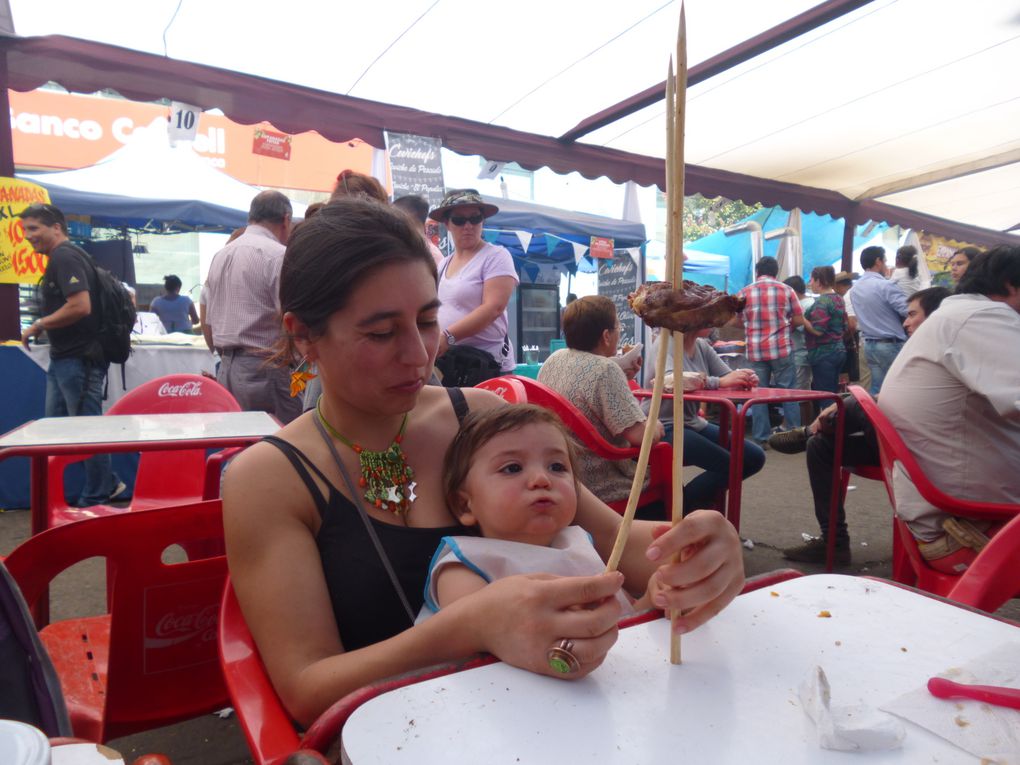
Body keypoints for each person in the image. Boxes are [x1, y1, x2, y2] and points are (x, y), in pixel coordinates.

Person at [222, 197, 745, 727]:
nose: (419, 354)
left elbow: (619, 542)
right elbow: (306, 692)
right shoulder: (270, 479)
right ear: (303, 334)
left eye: (428, 320)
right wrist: (472, 623)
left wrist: (697, 548)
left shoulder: (482, 418)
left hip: (553, 722)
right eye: (381, 333)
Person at [775, 286, 951, 565]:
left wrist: (856, 403)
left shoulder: (947, 354)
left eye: (912, 314)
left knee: (858, 409)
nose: (905, 321)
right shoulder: (919, 352)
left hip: (926, 452)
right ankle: (834, 541)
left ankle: (813, 428)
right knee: (822, 445)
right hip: (900, 442)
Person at [420, 405, 647, 619]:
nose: (542, 479)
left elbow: (626, 620)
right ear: (465, 506)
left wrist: (654, 600)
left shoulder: (580, 544)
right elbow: (476, 637)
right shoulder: (464, 567)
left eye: (557, 467)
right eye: (512, 468)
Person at [879, 248, 1020, 574]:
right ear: (1011, 284)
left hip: (949, 512)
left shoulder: (958, 315)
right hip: (967, 528)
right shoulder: (983, 319)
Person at [18, 203, 125, 506]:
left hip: (80, 359)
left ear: (56, 227)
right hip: (67, 357)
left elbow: (80, 306)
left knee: (83, 429)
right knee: (60, 430)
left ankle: (97, 494)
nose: (28, 236)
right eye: (26, 229)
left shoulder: (64, 256)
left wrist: (39, 324)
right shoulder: (64, 257)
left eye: (34, 228)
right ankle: (106, 483)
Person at [538, 295, 663, 506]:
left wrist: (623, 378)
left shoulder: (554, 359)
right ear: (606, 335)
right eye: (618, 326)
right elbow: (643, 437)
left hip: (561, 468)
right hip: (601, 479)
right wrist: (656, 425)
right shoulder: (605, 369)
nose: (620, 331)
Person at [201, 190, 301, 424]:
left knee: (237, 444)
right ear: (286, 220)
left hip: (227, 367)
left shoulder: (221, 255)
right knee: (282, 444)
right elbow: (289, 318)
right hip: (265, 368)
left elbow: (208, 321)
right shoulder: (277, 255)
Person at [646, 328, 765, 515]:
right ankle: (684, 509)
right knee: (731, 465)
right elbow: (671, 381)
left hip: (692, 422)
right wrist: (719, 382)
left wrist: (743, 378)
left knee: (754, 457)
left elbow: (727, 377)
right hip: (663, 425)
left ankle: (688, 504)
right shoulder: (665, 342)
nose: (714, 321)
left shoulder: (701, 345)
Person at [428, 189, 518, 382]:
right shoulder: (444, 263)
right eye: (459, 220)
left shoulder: (496, 256)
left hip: (486, 364)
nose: (468, 225)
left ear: (482, 221)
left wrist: (448, 336)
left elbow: (494, 307)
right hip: (452, 362)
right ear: (448, 224)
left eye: (475, 218)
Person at [731, 256, 807, 447]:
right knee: (788, 392)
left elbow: (735, 321)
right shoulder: (787, 290)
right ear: (776, 272)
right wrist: (783, 324)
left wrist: (752, 325)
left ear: (757, 272)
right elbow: (799, 320)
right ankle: (793, 435)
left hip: (755, 351)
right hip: (781, 349)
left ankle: (761, 438)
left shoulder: (744, 293)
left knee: (757, 393)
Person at [847, 246, 908, 395]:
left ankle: (874, 417)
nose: (886, 265)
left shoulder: (855, 289)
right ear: (878, 261)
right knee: (897, 389)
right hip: (890, 344)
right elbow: (908, 310)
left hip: (869, 345)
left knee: (876, 389)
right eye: (885, 261)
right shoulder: (885, 285)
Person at [802, 266, 847, 395]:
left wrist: (802, 318)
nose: (810, 284)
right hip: (839, 350)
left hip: (823, 354)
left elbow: (818, 331)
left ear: (818, 281)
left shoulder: (822, 302)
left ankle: (828, 415)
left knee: (825, 395)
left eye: (811, 280)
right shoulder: (839, 298)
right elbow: (844, 325)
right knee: (833, 393)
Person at [392, 194, 445, 267]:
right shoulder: (416, 250)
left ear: (407, 217)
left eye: (394, 218)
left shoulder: (425, 256)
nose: (390, 224)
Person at [783, 275, 813, 392]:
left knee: (800, 393)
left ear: (793, 291)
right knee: (805, 390)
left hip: (801, 354)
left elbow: (796, 326)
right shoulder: (811, 301)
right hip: (805, 353)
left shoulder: (803, 306)